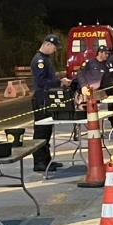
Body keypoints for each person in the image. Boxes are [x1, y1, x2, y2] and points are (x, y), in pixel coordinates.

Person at [31, 35, 71, 172]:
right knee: (41, 132)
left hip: (47, 99)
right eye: (54, 47)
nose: (55, 50)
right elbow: (41, 82)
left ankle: (47, 160)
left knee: (47, 131)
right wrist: (59, 82)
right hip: (41, 99)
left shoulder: (46, 59)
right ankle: (39, 162)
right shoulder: (39, 60)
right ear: (47, 44)